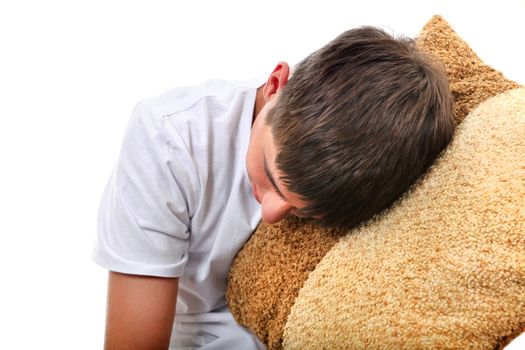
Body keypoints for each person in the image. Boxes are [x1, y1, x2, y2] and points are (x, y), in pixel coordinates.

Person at [93, 26, 455, 349]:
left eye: (304, 211)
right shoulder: (170, 139)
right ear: (275, 84)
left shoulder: (381, 178)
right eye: (269, 170)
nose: (270, 212)